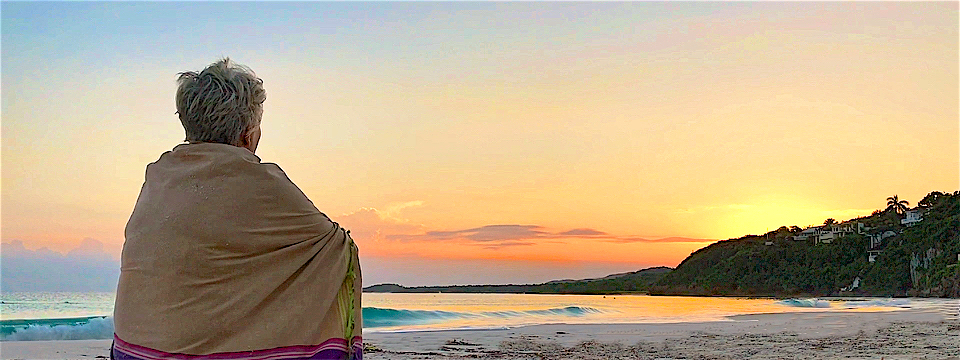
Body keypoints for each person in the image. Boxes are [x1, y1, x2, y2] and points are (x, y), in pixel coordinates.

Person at [112, 58, 362, 360]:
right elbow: (334, 246)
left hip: (136, 350)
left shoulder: (159, 177)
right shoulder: (262, 182)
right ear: (248, 133)